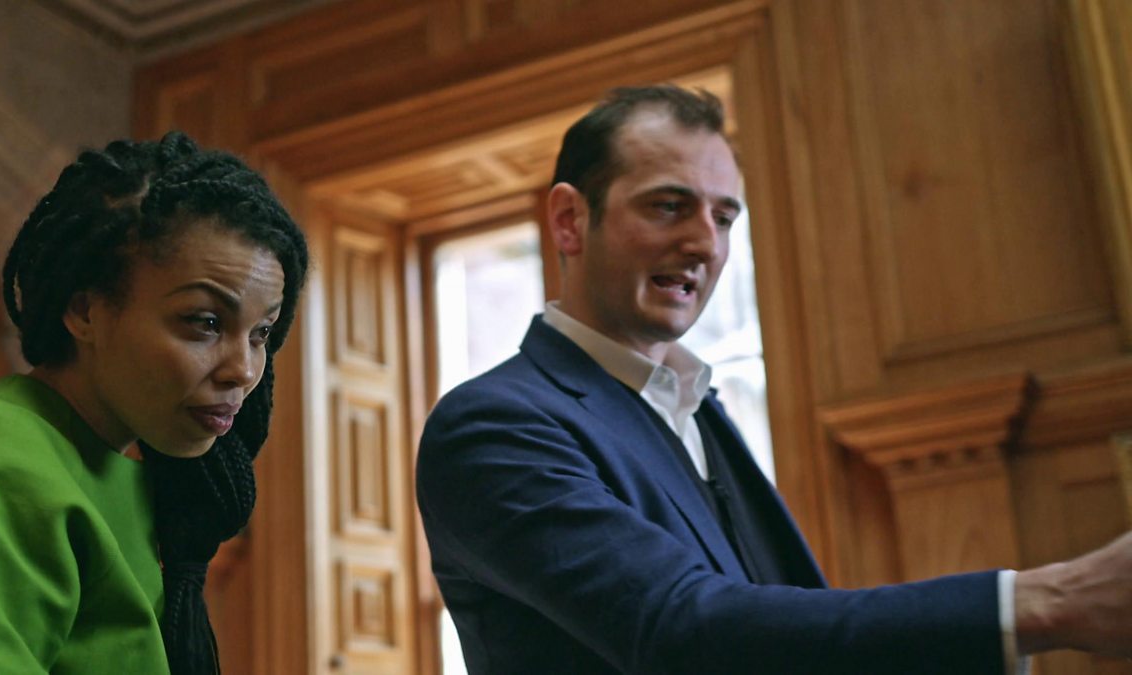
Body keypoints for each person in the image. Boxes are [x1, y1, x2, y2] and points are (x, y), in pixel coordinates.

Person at [416, 85, 1132, 674]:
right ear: (570, 220)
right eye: (668, 205)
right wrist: (1044, 602)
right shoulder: (491, 426)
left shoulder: (698, 407)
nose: (705, 242)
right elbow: (681, 629)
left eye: (724, 216)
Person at [0, 131, 309, 675]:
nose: (245, 370)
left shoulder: (124, 470)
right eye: (205, 322)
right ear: (85, 311)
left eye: (261, 333)